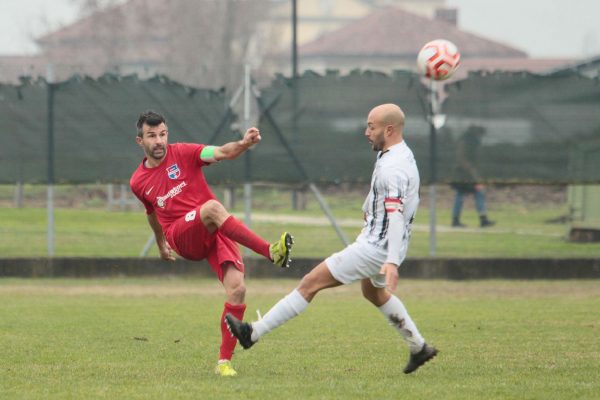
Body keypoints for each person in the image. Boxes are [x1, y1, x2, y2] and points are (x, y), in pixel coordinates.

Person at [226, 104, 437, 374]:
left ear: (390, 129)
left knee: (309, 284)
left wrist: (392, 261)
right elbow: (400, 200)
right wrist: (369, 210)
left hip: (375, 248)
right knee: (373, 292)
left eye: (371, 127)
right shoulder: (401, 154)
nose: (366, 132)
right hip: (386, 244)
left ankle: (252, 333)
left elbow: (395, 215)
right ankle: (418, 347)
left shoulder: (392, 167)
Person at [129, 110, 294, 377]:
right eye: (151, 136)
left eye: (162, 134)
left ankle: (223, 363)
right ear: (140, 141)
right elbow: (151, 213)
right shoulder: (138, 181)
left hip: (214, 230)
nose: (159, 141)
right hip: (181, 235)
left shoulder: (183, 152)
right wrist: (161, 243)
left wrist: (242, 144)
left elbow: (221, 153)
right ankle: (270, 251)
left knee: (238, 289)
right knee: (212, 208)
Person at [450, 125, 495, 228]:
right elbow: (461, 159)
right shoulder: (465, 142)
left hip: (468, 175)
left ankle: (482, 219)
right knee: (461, 196)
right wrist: (472, 171)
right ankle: (456, 220)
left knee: (477, 193)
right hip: (462, 175)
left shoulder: (472, 142)